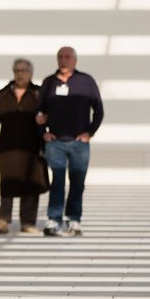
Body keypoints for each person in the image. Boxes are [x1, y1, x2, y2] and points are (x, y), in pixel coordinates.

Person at [36, 46, 104, 237]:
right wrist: (43, 132)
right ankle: (54, 219)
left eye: (67, 57)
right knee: (57, 180)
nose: (63, 60)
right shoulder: (49, 82)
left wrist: (89, 133)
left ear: (75, 60)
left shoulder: (86, 81)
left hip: (79, 143)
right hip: (55, 142)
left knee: (77, 181)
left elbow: (98, 110)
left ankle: (73, 219)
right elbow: (39, 111)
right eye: (60, 57)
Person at [0, 58, 46, 234]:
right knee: (8, 182)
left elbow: (47, 116)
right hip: (9, 146)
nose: (20, 74)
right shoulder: (2, 94)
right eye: (17, 71)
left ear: (31, 73)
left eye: (24, 71)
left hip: (31, 146)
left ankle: (27, 222)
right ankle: (3, 220)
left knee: (31, 182)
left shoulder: (38, 94)